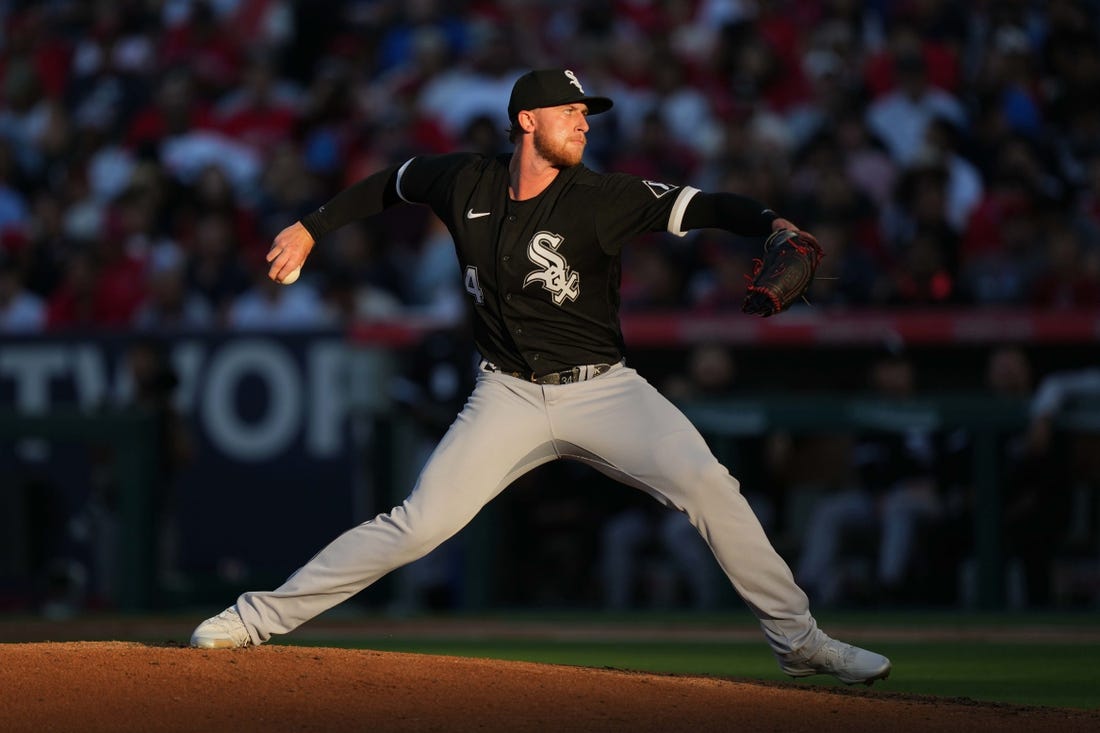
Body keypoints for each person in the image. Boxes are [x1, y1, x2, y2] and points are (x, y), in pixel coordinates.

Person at [190, 68, 891, 685]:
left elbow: (702, 205)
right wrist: (313, 227)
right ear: (528, 120)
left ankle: (800, 642)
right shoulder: (463, 179)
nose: (584, 123)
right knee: (416, 525)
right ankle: (251, 619)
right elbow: (390, 183)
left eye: (588, 114)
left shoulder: (602, 197)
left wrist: (770, 221)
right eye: (572, 112)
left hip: (605, 390)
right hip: (507, 393)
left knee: (711, 485)